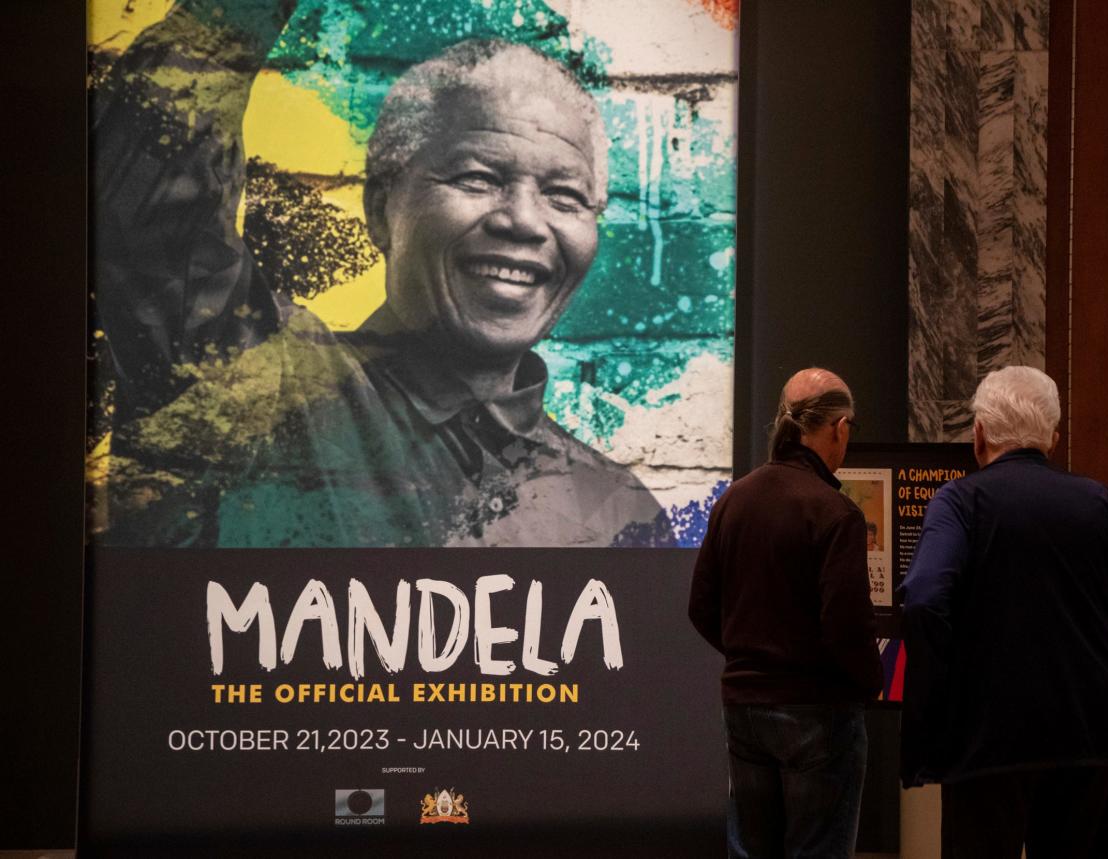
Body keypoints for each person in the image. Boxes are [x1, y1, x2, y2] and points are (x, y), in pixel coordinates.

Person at [91, 0, 671, 547]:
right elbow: (152, 195)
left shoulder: (622, 512)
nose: (523, 221)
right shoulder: (258, 390)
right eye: (477, 178)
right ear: (378, 210)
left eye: (564, 195)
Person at [900, 366, 1108, 859]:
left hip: (987, 737)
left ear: (978, 434)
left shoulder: (960, 503)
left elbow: (923, 598)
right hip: (1089, 732)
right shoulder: (1104, 504)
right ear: (1052, 436)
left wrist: (940, 700)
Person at [689, 368, 883, 859]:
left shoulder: (734, 499)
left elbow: (701, 607)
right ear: (839, 428)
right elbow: (846, 627)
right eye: (849, 430)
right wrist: (869, 682)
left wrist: (749, 659)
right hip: (818, 711)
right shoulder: (835, 513)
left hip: (743, 707)